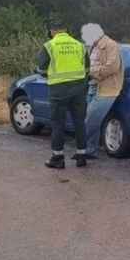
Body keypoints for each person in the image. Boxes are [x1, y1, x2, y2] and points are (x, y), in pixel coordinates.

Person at [36, 19, 90, 169]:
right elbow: (87, 69)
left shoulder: (49, 45)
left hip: (58, 90)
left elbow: (40, 69)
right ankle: (81, 155)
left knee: (58, 123)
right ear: (66, 30)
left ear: (52, 31)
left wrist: (51, 75)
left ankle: (58, 158)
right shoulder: (80, 45)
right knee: (79, 122)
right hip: (79, 89)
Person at [80, 23, 124, 158]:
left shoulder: (111, 45)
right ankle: (90, 151)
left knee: (90, 120)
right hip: (93, 86)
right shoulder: (93, 46)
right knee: (93, 120)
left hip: (107, 89)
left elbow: (112, 67)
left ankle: (81, 147)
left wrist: (92, 72)